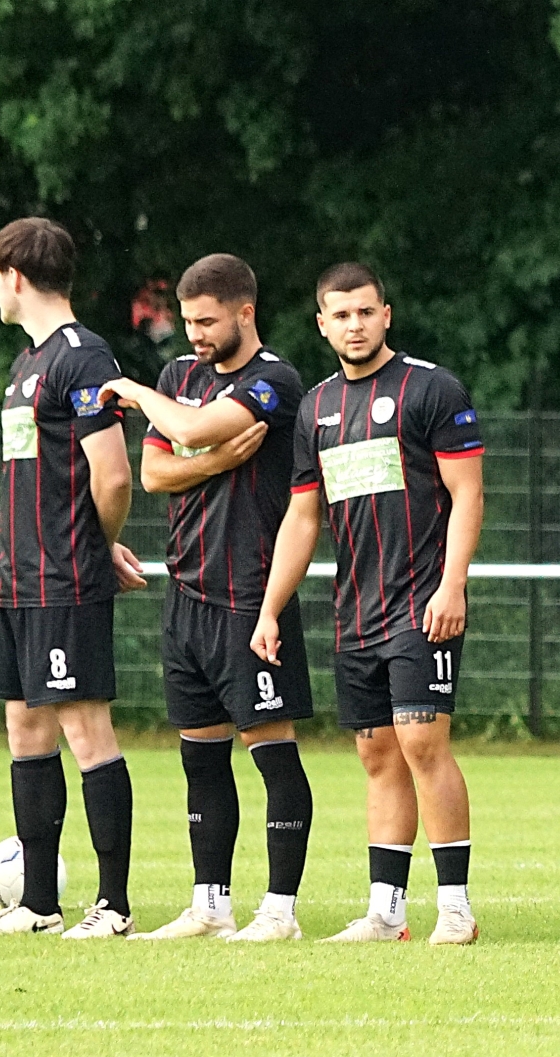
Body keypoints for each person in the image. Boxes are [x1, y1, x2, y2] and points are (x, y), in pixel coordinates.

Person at [251, 262, 483, 946]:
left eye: (365, 312)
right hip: (356, 610)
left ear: (386, 314)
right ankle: (387, 912)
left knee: (422, 742)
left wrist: (453, 583)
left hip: (422, 603)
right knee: (378, 754)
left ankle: (456, 909)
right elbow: (303, 517)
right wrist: (270, 608)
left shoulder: (431, 389)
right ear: (322, 325)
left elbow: (468, 493)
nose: (354, 325)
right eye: (340, 315)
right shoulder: (315, 407)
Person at [105, 254, 316, 942]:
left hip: (250, 592)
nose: (193, 333)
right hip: (187, 590)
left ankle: (279, 911)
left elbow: (187, 433)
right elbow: (155, 472)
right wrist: (221, 460)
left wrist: (139, 396)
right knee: (200, 755)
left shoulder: (274, 379)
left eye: (206, 321)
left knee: (271, 752)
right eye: (188, 321)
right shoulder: (180, 377)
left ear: (244, 313)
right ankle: (210, 904)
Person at [0, 218, 149, 938]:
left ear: (14, 276)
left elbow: (114, 475)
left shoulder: (84, 357)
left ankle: (114, 905)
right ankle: (39, 904)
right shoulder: (24, 365)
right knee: (23, 727)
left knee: (86, 730)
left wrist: (98, 545)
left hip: (63, 576)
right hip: (16, 579)